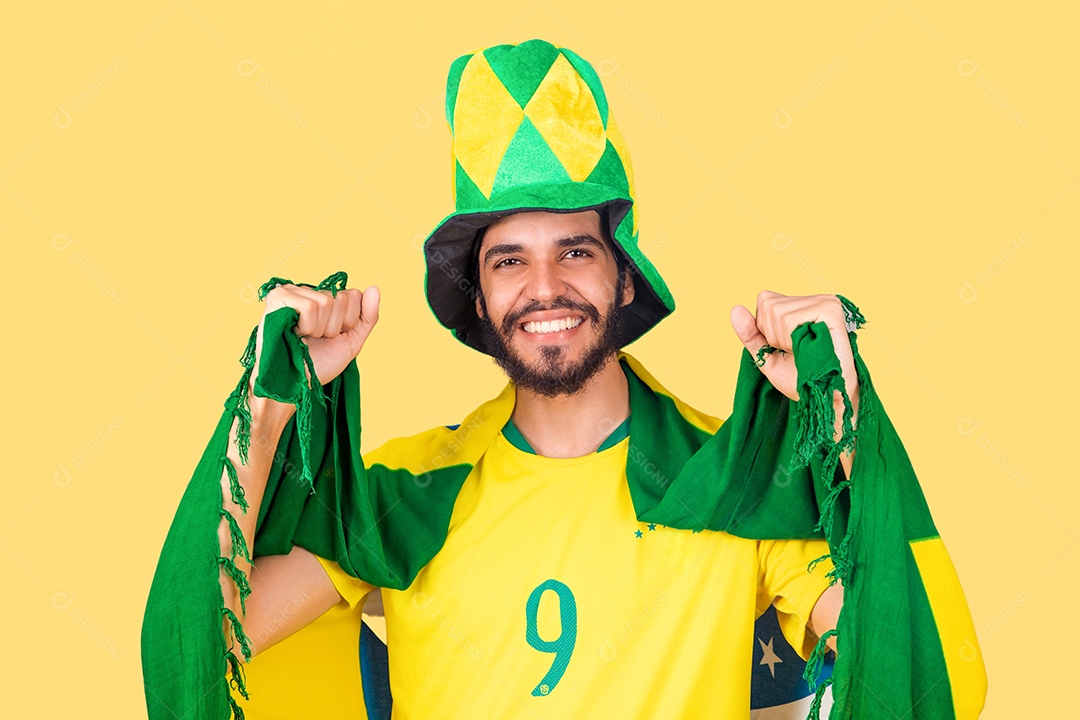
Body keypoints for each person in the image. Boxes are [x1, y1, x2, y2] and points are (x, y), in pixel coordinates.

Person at [142, 38, 985, 720]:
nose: (544, 287)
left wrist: (845, 424)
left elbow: (914, 678)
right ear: (480, 296)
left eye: (575, 250)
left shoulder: (731, 483)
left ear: (624, 278)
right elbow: (198, 655)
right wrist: (266, 407)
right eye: (510, 259)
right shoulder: (407, 491)